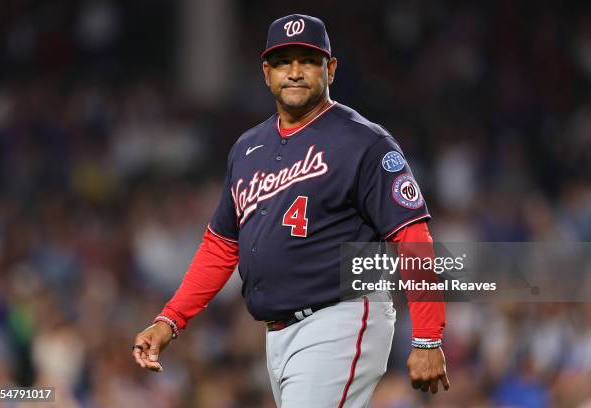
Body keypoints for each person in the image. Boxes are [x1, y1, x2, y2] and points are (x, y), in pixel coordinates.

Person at [132, 14, 449, 407]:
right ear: (267, 73)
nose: (295, 72)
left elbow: (412, 236)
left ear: (329, 68)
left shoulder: (365, 143)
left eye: (308, 60)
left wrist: (427, 336)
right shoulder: (248, 148)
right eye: (283, 62)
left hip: (341, 316)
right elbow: (220, 246)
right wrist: (170, 319)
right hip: (278, 333)